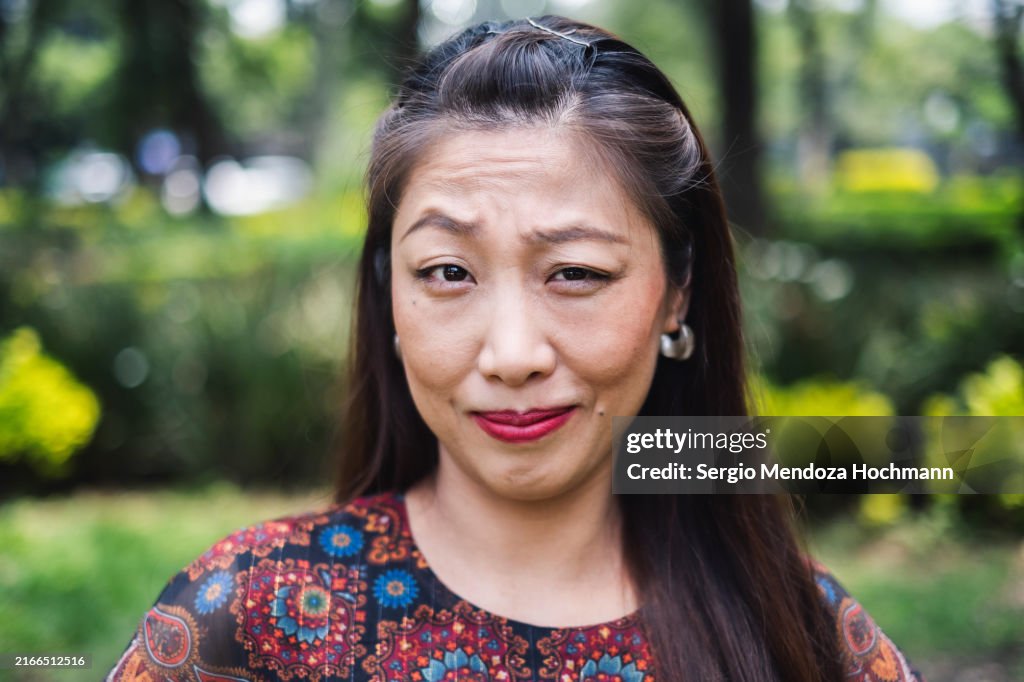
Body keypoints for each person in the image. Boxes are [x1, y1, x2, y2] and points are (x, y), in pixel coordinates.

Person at [108, 16, 923, 682]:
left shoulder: (802, 639)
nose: (511, 354)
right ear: (388, 293)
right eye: (448, 272)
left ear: (677, 293)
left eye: (575, 272)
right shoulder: (251, 617)